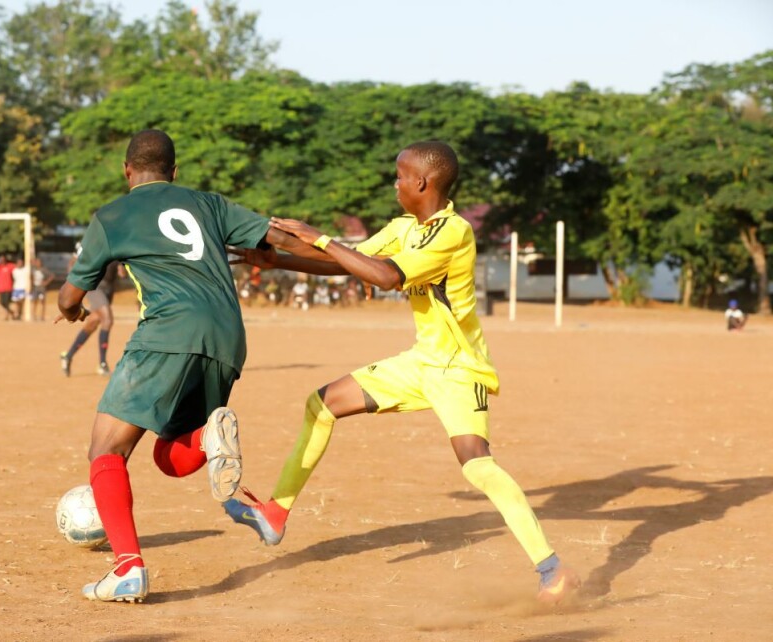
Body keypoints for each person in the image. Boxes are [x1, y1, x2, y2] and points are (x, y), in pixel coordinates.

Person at [225, 140, 580, 605]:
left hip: (458, 369)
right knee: (322, 403)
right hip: (419, 362)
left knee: (477, 465)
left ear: (422, 182)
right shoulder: (403, 227)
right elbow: (347, 264)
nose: (394, 183)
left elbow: (386, 277)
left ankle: (552, 570)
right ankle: (275, 513)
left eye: (399, 175)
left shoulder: (453, 232)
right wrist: (278, 257)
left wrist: (317, 236)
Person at [55, 128, 315, 603]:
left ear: (126, 170)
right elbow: (280, 239)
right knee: (171, 456)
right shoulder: (210, 204)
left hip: (167, 333)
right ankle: (205, 435)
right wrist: (349, 256)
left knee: (105, 450)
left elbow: (71, 294)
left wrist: (72, 311)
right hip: (228, 337)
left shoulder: (113, 215)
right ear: (175, 172)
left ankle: (128, 568)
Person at [60, 259, 122, 376]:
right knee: (108, 320)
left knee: (93, 323)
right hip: (95, 287)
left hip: (108, 289)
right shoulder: (94, 242)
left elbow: (122, 273)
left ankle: (68, 356)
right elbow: (73, 261)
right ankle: (102, 363)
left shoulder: (121, 244)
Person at [0, 255, 15, 320]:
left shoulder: (10, 266)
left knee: (6, 302)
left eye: (3, 259)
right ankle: (11, 312)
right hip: (0, 287)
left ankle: (7, 315)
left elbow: (16, 267)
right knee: (1, 302)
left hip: (8, 287)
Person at [31, 257, 54, 322]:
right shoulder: (34, 269)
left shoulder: (43, 269)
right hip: (35, 287)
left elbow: (52, 275)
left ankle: (42, 316)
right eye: (36, 262)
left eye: (39, 262)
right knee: (35, 301)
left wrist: (46, 282)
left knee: (42, 301)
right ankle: (34, 315)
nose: (37, 263)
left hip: (41, 288)